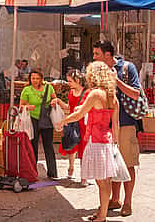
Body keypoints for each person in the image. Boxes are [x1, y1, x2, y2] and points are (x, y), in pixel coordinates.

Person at [58, 61, 121, 222]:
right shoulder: (112, 97)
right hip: (107, 141)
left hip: (95, 140)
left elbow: (78, 115)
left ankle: (102, 216)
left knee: (101, 181)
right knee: (105, 181)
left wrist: (62, 122)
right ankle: (102, 213)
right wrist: (116, 144)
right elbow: (115, 124)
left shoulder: (95, 94)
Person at [92, 41, 140, 217]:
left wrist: (116, 81)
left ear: (107, 55)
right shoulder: (97, 71)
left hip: (126, 124)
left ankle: (127, 202)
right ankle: (114, 199)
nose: (94, 57)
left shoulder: (128, 68)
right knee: (109, 165)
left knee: (128, 164)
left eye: (97, 54)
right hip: (105, 126)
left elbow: (135, 93)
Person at [51, 69, 89, 186]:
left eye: (70, 81)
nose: (68, 84)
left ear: (77, 80)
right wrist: (57, 101)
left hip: (83, 123)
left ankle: (84, 176)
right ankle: (71, 168)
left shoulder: (87, 93)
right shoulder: (71, 93)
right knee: (71, 146)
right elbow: (68, 107)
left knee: (83, 149)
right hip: (72, 122)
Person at [20, 69, 58, 179]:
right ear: (30, 79)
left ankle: (52, 172)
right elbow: (21, 106)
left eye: (37, 78)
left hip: (46, 120)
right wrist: (27, 107)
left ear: (41, 79)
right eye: (33, 78)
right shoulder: (26, 90)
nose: (35, 81)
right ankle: (32, 172)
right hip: (33, 120)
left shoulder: (48, 88)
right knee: (33, 146)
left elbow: (54, 98)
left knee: (48, 146)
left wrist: (54, 101)